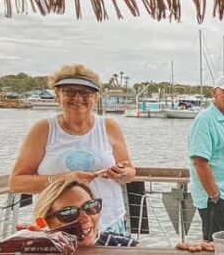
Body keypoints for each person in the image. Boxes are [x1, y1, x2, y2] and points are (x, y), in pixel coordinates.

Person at [10, 64, 136, 234]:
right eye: (69, 92)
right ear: (58, 96)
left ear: (95, 98)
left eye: (85, 93)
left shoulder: (109, 126)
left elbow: (130, 172)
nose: (78, 98)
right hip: (56, 226)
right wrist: (65, 179)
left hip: (109, 222)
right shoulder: (43, 129)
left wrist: (120, 173)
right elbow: (16, 183)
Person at [188, 75, 224, 242]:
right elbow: (199, 162)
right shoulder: (206, 119)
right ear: (215, 93)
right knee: (217, 250)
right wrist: (215, 196)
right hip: (216, 199)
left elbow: (223, 153)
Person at [34, 178, 136, 247]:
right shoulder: (32, 254)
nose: (85, 217)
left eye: (90, 206)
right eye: (69, 213)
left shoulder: (124, 247)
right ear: (44, 222)